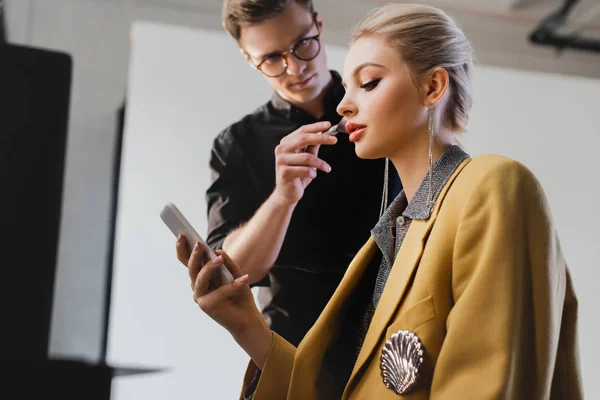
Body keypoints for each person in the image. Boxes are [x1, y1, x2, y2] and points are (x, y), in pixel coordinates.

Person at [178, 3, 583, 399]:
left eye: (368, 83)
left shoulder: (494, 187)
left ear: (432, 86)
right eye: (271, 59)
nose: (342, 105)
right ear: (250, 60)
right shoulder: (385, 236)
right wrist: (246, 326)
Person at [200, 0, 400, 347]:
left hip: (394, 334)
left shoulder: (383, 106)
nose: (295, 69)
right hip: (293, 347)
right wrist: (282, 198)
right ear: (249, 59)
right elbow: (229, 273)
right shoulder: (237, 145)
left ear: (318, 23)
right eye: (272, 59)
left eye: (302, 45)